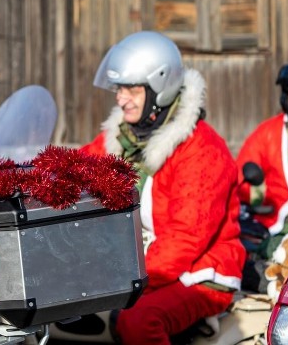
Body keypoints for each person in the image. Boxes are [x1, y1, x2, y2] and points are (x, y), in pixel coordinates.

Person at [83, 31, 244, 344]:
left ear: (161, 88)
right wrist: (34, 176)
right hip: (143, 263)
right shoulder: (124, 137)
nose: (120, 98)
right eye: (119, 88)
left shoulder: (202, 150)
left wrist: (125, 279)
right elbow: (82, 165)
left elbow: (185, 238)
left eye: (131, 89)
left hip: (202, 272)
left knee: (139, 321)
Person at [236, 63, 288, 260]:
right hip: (280, 224)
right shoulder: (267, 133)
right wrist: (255, 198)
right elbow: (241, 178)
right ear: (286, 98)